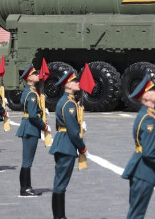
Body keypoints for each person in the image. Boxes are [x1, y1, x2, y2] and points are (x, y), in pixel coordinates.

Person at [122, 74, 155, 219]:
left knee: (136, 212)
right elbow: (149, 153)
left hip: (141, 169)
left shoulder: (147, 115)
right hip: (144, 171)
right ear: (147, 96)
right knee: (137, 214)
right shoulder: (148, 119)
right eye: (154, 90)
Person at [49, 69, 87, 219]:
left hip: (63, 142)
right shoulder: (69, 104)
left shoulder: (68, 101)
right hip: (67, 143)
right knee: (61, 183)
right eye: (76, 81)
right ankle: (59, 217)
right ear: (69, 84)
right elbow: (72, 131)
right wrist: (82, 146)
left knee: (60, 182)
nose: (78, 83)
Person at [16, 64, 48, 197]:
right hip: (31, 127)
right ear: (29, 78)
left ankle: (27, 186)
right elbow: (34, 115)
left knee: (27, 159)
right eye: (35, 74)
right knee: (27, 160)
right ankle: (25, 188)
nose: (37, 76)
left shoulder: (30, 92)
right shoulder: (32, 94)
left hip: (28, 126)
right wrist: (44, 126)